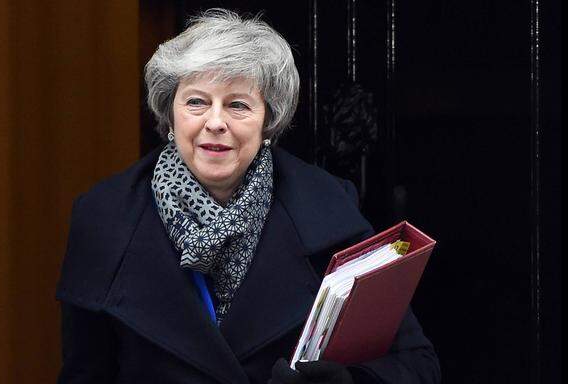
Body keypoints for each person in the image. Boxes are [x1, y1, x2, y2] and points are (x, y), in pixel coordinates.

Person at [56, 9, 441, 384]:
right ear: (169, 116)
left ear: (268, 121)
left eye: (238, 104)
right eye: (196, 102)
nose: (216, 122)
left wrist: (348, 380)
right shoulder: (104, 218)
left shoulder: (328, 207)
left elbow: (417, 363)